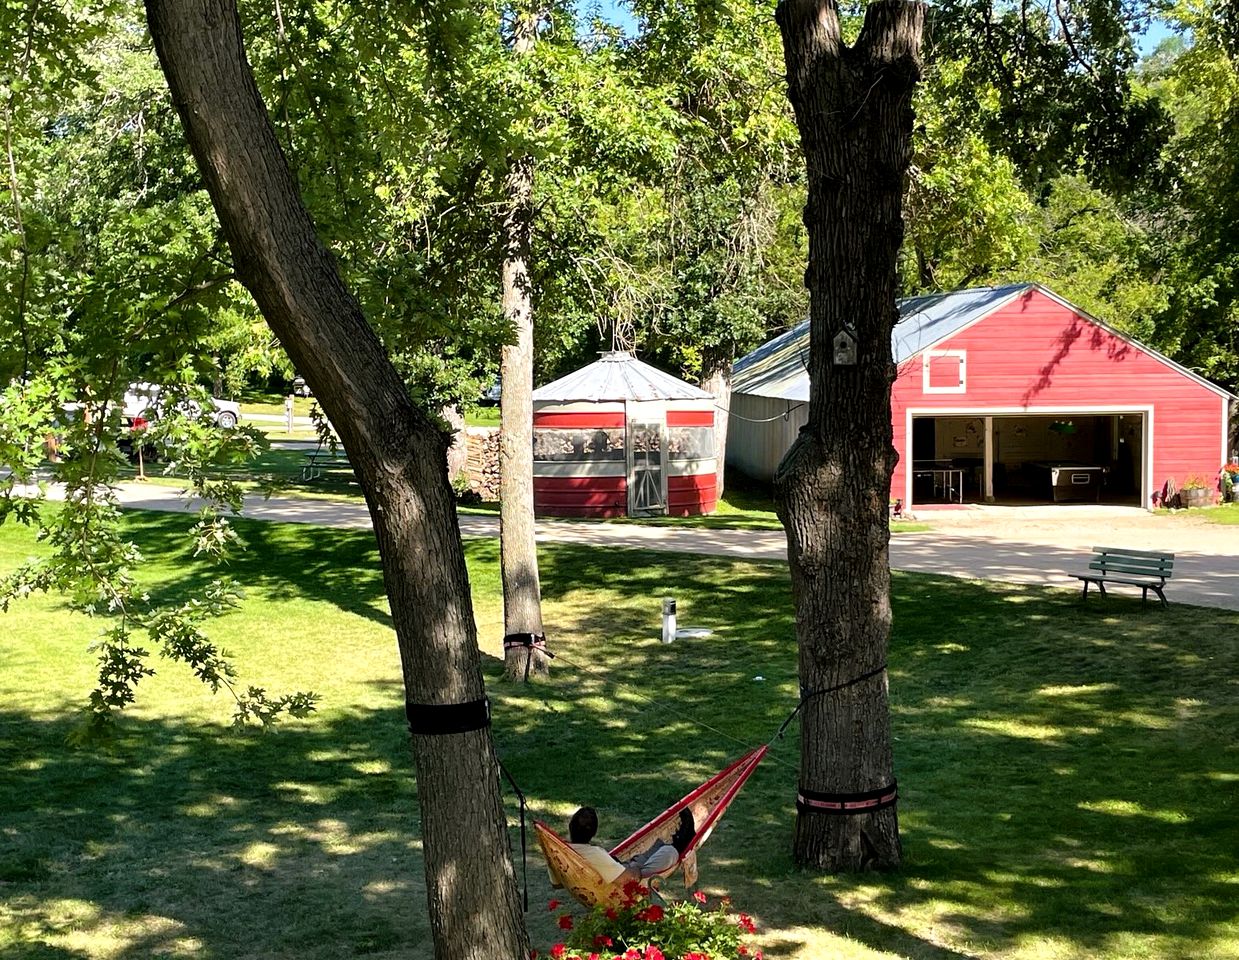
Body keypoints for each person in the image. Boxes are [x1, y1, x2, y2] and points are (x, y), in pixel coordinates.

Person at [562, 806, 635, 885]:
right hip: (616, 883)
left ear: (570, 826)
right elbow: (628, 878)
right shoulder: (595, 854)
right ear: (594, 832)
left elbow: (557, 885)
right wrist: (637, 868)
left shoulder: (560, 850)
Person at [627, 808, 695, 879]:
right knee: (669, 853)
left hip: (632, 866)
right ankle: (683, 840)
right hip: (636, 874)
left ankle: (681, 839)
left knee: (653, 850)